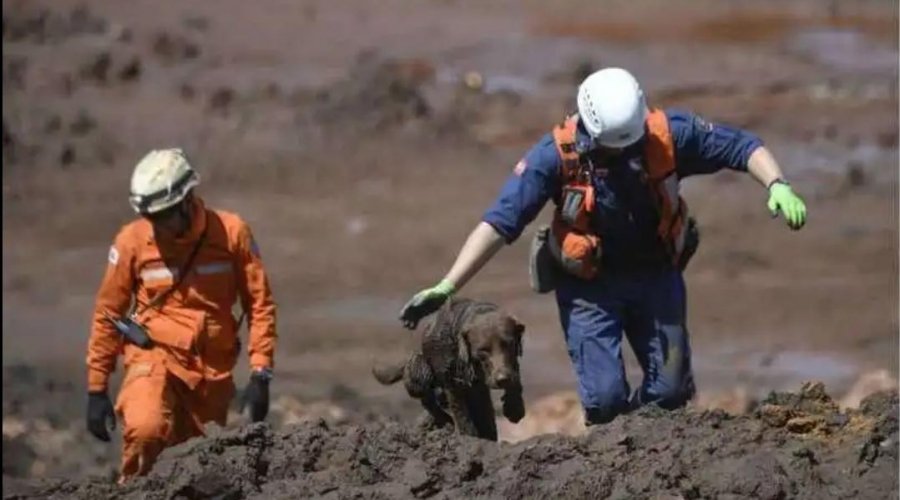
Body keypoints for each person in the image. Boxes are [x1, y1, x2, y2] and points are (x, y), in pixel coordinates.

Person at [399, 68, 807, 425]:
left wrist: (777, 184)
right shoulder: (553, 156)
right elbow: (498, 223)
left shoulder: (668, 134)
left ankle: (653, 447)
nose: (624, 151)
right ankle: (618, 450)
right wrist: (448, 285)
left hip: (656, 276)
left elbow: (743, 146)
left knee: (669, 393)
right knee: (606, 401)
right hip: (590, 287)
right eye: (614, 145)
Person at [85, 148, 277, 480]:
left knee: (201, 469)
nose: (158, 226)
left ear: (187, 201)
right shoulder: (132, 242)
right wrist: (96, 388)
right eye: (152, 218)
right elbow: (108, 313)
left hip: (211, 373)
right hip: (154, 357)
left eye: (165, 216)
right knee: (147, 430)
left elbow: (259, 305)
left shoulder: (231, 234)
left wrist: (261, 374)